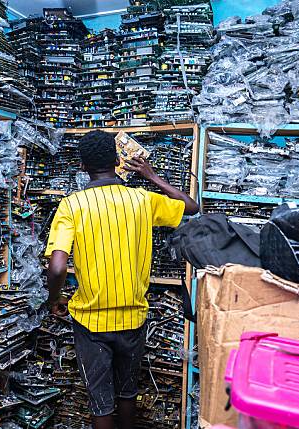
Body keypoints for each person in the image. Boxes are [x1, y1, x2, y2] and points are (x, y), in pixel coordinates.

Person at [45, 130, 199, 429]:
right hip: (133, 318)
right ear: (118, 161)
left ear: (82, 167)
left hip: (90, 322)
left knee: (101, 403)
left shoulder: (71, 206)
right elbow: (191, 207)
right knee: (127, 394)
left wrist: (55, 300)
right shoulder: (142, 200)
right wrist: (152, 176)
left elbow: (56, 268)